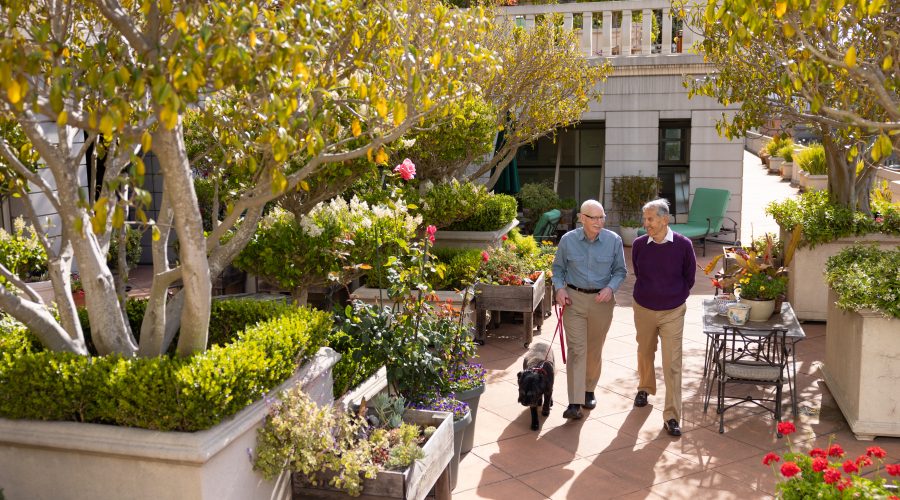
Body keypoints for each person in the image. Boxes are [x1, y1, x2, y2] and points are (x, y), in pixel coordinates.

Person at [552, 200, 627, 420]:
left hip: (600, 302)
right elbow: (558, 269)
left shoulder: (614, 241)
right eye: (594, 217)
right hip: (573, 300)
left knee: (594, 350)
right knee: (577, 350)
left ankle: (588, 390)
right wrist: (559, 289)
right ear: (582, 218)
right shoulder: (568, 240)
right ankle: (574, 402)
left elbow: (620, 272)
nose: (599, 222)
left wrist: (610, 288)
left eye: (602, 217)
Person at [631, 199, 696, 437]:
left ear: (665, 219)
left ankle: (671, 416)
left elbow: (689, 277)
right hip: (644, 307)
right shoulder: (639, 245)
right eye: (645, 219)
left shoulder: (683, 245)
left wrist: (673, 296)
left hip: (673, 310)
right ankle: (645, 387)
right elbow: (638, 272)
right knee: (645, 351)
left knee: (672, 363)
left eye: (650, 219)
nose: (645, 223)